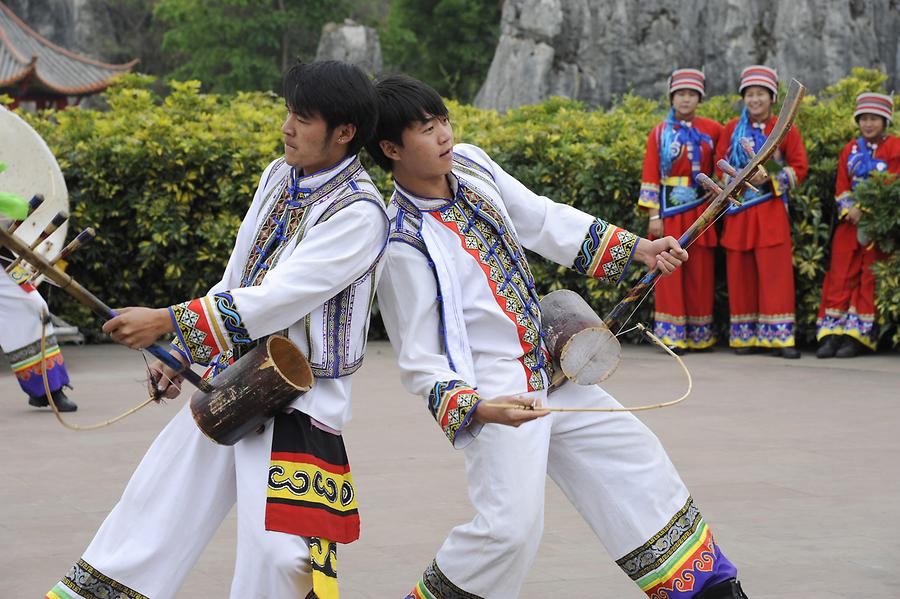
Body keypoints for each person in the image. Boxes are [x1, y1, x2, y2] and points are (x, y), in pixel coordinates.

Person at [370, 74, 749, 599]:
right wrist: (480, 408)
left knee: (635, 459)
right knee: (510, 529)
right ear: (391, 148)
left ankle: (708, 592)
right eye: (425, 129)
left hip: (549, 362)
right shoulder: (402, 241)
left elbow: (544, 220)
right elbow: (418, 356)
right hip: (498, 391)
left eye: (443, 122)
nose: (443, 136)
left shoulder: (474, 165)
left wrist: (639, 248)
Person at [45, 61, 389, 599]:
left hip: (300, 396)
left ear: (344, 132)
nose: (287, 127)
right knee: (155, 508)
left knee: (283, 556)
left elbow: (279, 298)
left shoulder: (361, 213)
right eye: (288, 113)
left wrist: (166, 320)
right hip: (228, 375)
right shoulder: (279, 176)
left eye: (302, 117)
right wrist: (182, 349)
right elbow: (238, 276)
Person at [715, 66, 808, 359]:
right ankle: (744, 337)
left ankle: (779, 338)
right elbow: (719, 166)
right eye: (750, 94)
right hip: (741, 211)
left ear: (772, 98)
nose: (755, 100)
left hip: (769, 210)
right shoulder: (731, 129)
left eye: (761, 94)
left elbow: (800, 167)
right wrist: (741, 177)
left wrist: (770, 176)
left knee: (775, 274)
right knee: (740, 274)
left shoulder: (784, 127)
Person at [639, 68, 723, 354]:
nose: (686, 100)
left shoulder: (713, 130)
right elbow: (650, 177)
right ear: (672, 98)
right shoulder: (659, 133)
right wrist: (654, 217)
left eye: (691, 95)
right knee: (668, 273)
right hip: (669, 212)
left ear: (699, 99)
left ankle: (700, 335)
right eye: (680, 94)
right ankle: (672, 335)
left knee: (700, 272)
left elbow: (723, 166)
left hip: (701, 210)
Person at [816, 92, 899, 358]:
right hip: (849, 223)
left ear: (885, 121)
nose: (868, 124)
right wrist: (849, 208)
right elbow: (842, 184)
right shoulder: (849, 148)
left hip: (876, 225)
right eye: (863, 118)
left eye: (874, 118)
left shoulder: (895, 147)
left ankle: (858, 337)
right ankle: (831, 334)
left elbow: (894, 183)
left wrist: (868, 209)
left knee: (868, 279)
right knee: (840, 277)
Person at [0, 252, 78, 412]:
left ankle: (50, 391)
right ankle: (44, 392)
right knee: (14, 335)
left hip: (6, 263)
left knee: (37, 308)